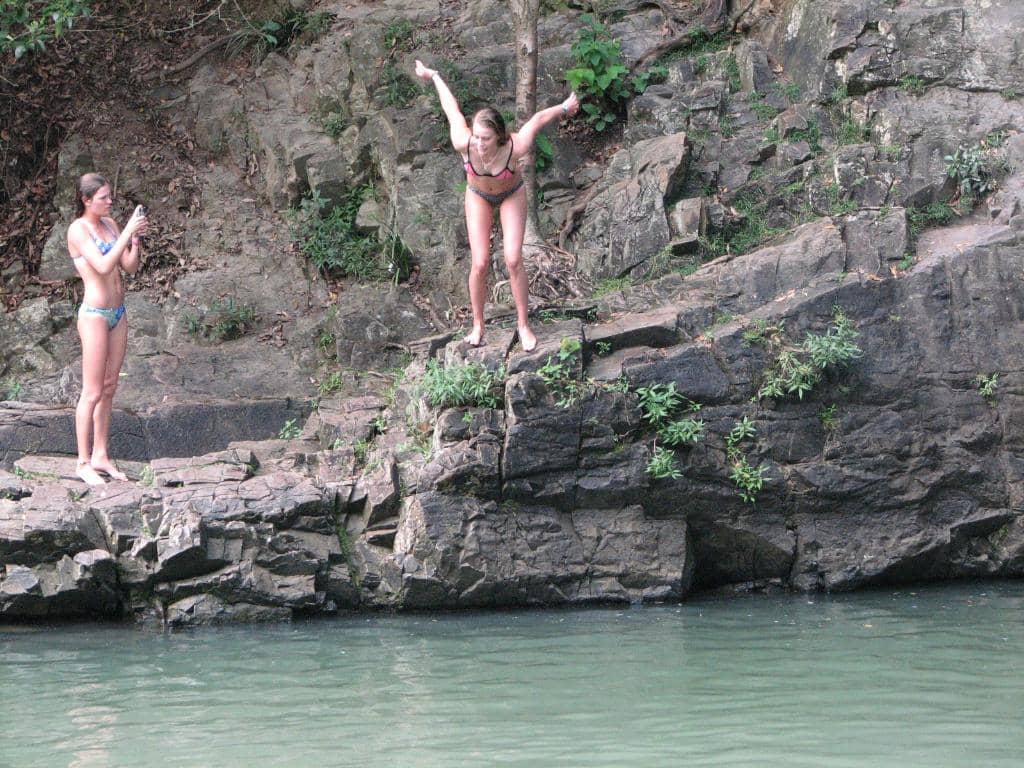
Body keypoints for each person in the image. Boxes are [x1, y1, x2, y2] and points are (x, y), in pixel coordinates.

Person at [414, 60, 579, 351]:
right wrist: (434, 76)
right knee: (480, 262)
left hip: (511, 193)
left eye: (486, 138)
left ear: (499, 137)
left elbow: (537, 120)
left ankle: (523, 325)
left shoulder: (515, 146)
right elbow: (451, 110)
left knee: (513, 259)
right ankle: (478, 325)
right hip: (478, 195)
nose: (479, 144)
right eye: (477, 137)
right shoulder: (464, 143)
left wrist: (565, 107)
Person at [66, 173, 148, 485]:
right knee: (92, 391)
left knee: (110, 386)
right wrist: (127, 231)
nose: (110, 201)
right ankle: (83, 462)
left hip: (118, 313)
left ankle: (101, 455)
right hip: (94, 315)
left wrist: (134, 238)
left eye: (110, 196)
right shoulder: (78, 229)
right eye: (103, 197)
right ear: (86, 200)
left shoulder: (111, 224)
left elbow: (129, 266)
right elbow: (101, 266)